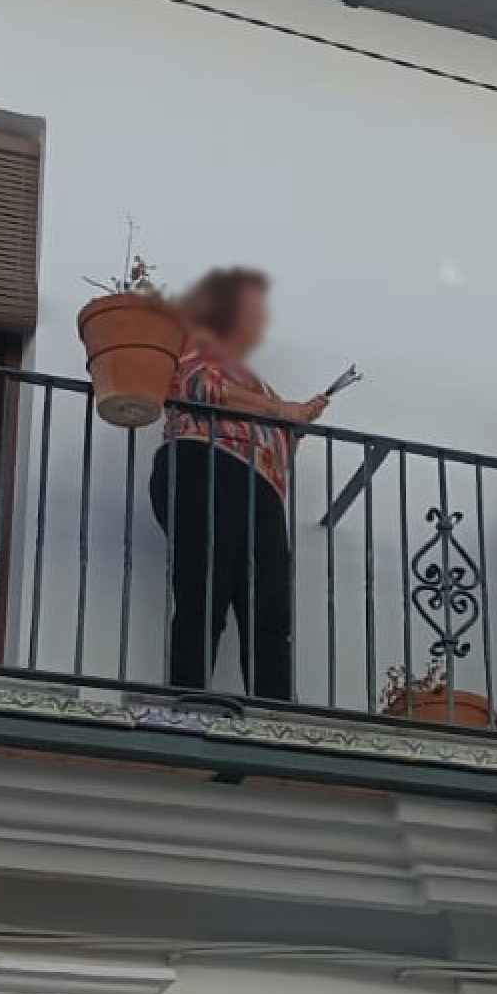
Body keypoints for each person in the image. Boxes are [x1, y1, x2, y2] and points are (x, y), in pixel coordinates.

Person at [150, 267, 332, 701]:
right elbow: (198, 387)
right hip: (207, 464)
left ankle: (274, 717)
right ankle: (188, 701)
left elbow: (274, 438)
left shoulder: (254, 380)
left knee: (269, 611)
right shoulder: (198, 347)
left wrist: (295, 422)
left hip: (258, 488)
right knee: (205, 590)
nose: (257, 321)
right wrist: (281, 410)